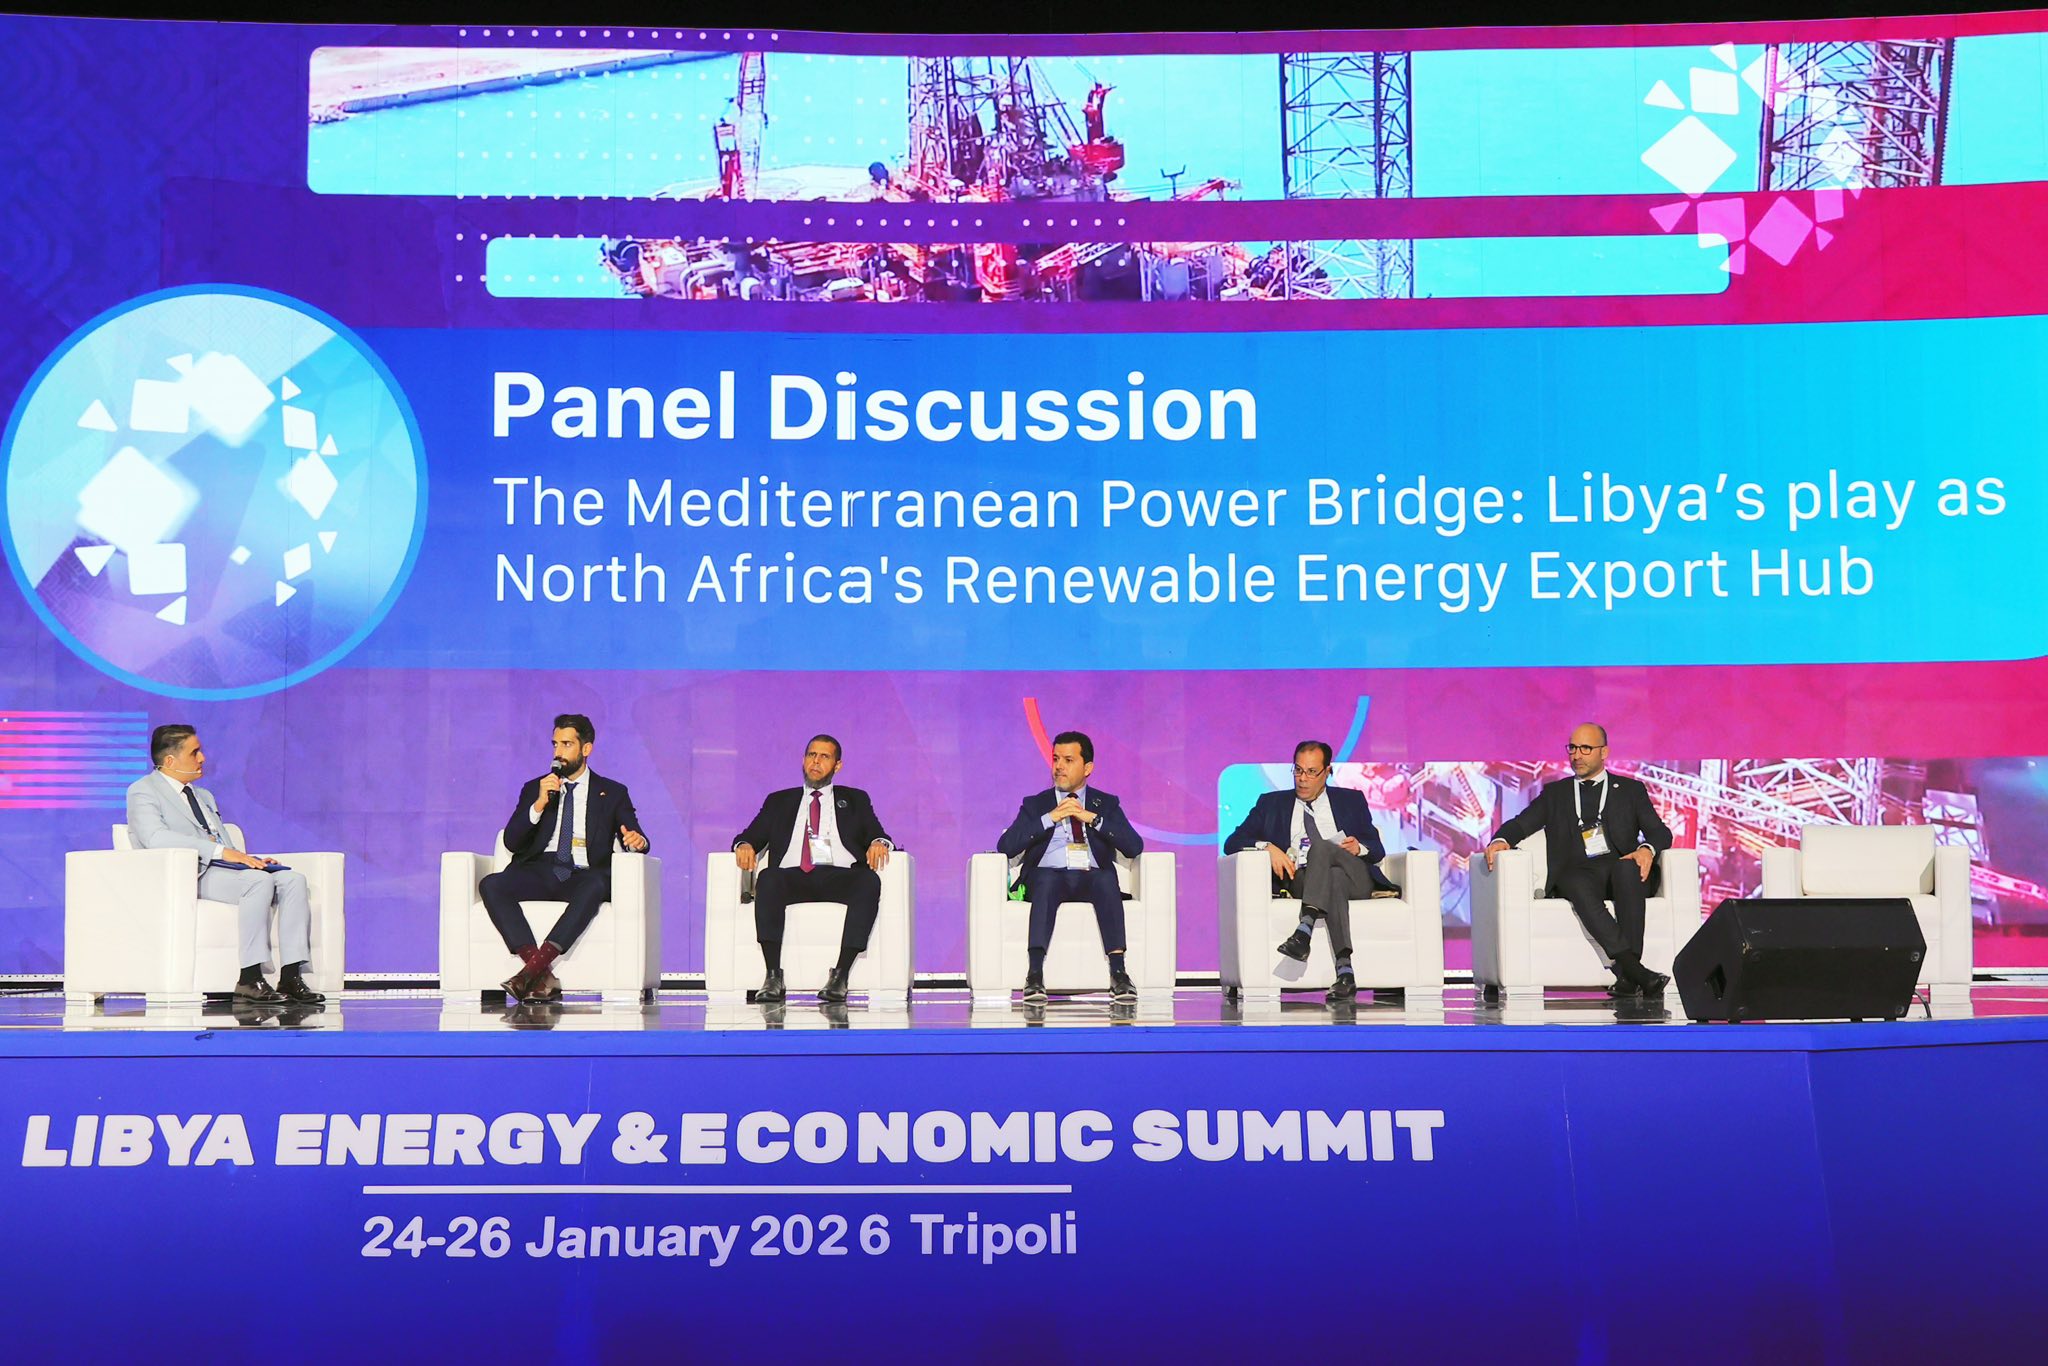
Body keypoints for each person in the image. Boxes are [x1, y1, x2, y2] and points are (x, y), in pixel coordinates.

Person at [124, 724, 323, 1005]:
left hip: (222, 870)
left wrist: (249, 860)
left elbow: (220, 840)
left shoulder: (203, 796)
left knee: (293, 880)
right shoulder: (143, 791)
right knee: (258, 882)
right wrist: (221, 852)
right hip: (189, 874)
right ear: (170, 760)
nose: (202, 758)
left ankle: (291, 975)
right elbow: (154, 837)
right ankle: (249, 978)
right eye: (194, 752)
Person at [1481, 723, 1673, 998]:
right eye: (1572, 748)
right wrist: (1500, 840)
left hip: (1623, 872)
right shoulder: (1556, 793)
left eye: (1585, 748)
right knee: (1572, 880)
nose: (1576, 755)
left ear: (1604, 752)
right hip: (1580, 875)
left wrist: (1647, 849)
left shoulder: (1630, 790)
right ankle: (1635, 972)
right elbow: (1522, 824)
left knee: (1627, 869)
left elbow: (1660, 832)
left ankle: (1629, 976)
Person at [481, 714, 650, 1002]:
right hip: (539, 869)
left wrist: (638, 841)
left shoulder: (613, 792)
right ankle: (538, 972)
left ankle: (530, 973)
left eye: (567, 744)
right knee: (491, 884)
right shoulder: (536, 787)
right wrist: (539, 804)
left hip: (583, 873)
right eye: (555, 744)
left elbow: (636, 837)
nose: (558, 752)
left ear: (586, 749)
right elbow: (512, 841)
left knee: (596, 884)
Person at [1222, 740, 1401, 1003]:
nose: (1302, 779)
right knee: (1333, 879)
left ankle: (1304, 928)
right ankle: (1345, 972)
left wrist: (1359, 847)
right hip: (1303, 880)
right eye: (1298, 770)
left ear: (1327, 772)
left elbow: (1377, 849)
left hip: (1355, 876)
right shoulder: (1271, 804)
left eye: (1311, 772)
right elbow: (1232, 843)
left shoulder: (1351, 800)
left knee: (1323, 849)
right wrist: (1267, 847)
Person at [732, 735, 896, 1005]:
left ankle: (840, 975)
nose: (816, 762)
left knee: (867, 881)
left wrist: (879, 843)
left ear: (837, 766)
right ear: (803, 760)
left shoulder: (855, 799)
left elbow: (878, 834)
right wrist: (745, 845)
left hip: (838, 875)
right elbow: (750, 835)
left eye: (824, 757)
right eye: (811, 755)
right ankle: (773, 976)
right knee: (768, 878)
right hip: (792, 876)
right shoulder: (779, 801)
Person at [995, 730, 1144, 1005]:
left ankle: (1119, 974)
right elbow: (1006, 846)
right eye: (1055, 759)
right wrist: (1049, 818)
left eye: (1068, 760)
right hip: (1047, 876)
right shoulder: (1036, 804)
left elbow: (1134, 847)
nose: (1059, 766)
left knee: (1105, 880)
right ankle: (1034, 975)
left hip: (1091, 876)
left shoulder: (1105, 803)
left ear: (1087, 768)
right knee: (1047, 880)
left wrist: (1092, 819)